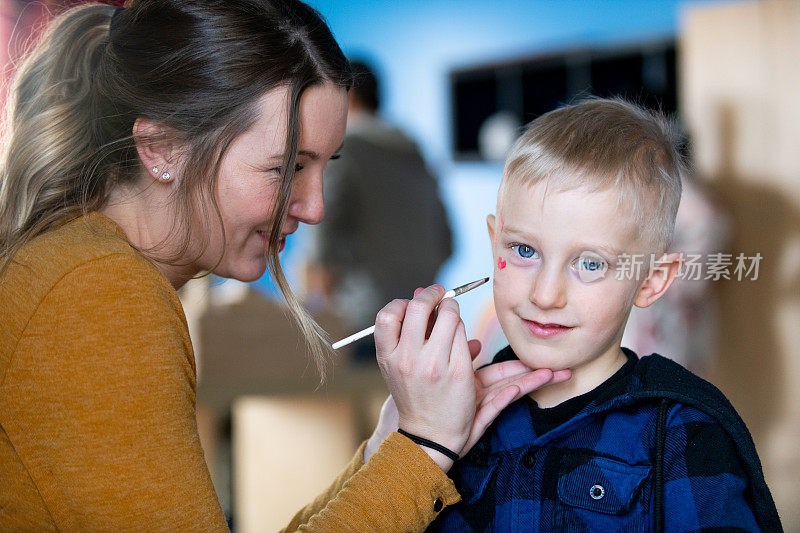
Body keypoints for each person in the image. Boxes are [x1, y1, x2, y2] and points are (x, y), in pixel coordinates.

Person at [0, 2, 569, 531]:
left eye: (324, 166)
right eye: (287, 168)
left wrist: (395, 447)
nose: (315, 208)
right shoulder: (99, 292)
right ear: (163, 149)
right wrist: (425, 449)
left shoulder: (88, 272)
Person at [427, 99, 782, 532]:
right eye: (524, 251)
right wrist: (417, 436)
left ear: (650, 280)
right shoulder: (451, 417)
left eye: (590, 264)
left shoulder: (682, 436)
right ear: (493, 241)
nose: (545, 294)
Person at [305, 60, 453, 362]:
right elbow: (448, 242)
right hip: (422, 322)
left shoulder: (346, 152)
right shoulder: (416, 154)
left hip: (361, 327)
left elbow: (323, 243)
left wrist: (311, 315)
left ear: (349, 95)